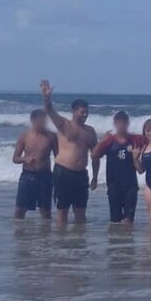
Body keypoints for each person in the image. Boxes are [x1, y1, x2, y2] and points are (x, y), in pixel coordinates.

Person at [40, 80, 98, 225]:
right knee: (62, 213)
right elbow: (49, 110)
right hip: (63, 174)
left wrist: (95, 176)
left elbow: (95, 155)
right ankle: (62, 245)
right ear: (74, 111)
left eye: (87, 112)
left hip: (81, 176)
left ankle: (78, 246)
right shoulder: (64, 124)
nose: (85, 115)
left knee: (80, 215)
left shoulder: (90, 131)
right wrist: (47, 97)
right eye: (82, 112)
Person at [91, 111, 143, 224]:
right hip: (114, 185)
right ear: (115, 124)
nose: (121, 126)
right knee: (115, 220)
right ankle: (117, 241)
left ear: (128, 124)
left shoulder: (136, 139)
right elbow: (94, 155)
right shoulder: (109, 141)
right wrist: (102, 141)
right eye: (119, 123)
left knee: (128, 220)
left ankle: (127, 241)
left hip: (131, 185)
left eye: (124, 123)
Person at [12, 109, 57, 220]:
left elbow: (58, 157)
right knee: (20, 210)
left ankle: (45, 235)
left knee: (45, 211)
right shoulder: (25, 136)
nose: (43, 124)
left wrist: (58, 176)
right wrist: (25, 159)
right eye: (41, 121)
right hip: (27, 176)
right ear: (33, 121)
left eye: (45, 121)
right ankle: (19, 234)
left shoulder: (51, 136)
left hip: (45, 176)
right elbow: (15, 158)